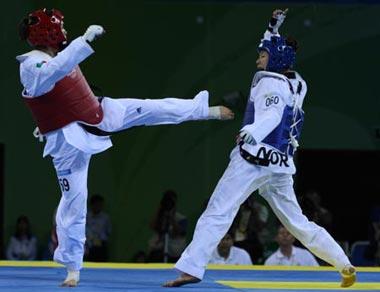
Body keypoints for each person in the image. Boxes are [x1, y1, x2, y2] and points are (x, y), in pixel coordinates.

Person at [17, 8, 234, 287]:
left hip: (98, 113)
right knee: (75, 201)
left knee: (149, 109)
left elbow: (53, 95)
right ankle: (72, 266)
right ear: (48, 32)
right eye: (61, 27)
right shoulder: (31, 64)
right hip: (69, 143)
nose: (66, 32)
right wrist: (84, 41)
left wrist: (46, 120)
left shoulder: (57, 57)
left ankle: (203, 109)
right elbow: (51, 75)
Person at [164, 9, 356, 288]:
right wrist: (272, 29)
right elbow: (276, 56)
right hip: (280, 165)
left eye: (262, 56)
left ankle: (192, 268)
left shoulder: (270, 83)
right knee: (298, 223)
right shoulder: (297, 82)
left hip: (252, 160)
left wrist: (249, 134)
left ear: (275, 59)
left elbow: (271, 116)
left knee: (218, 211)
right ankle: (344, 264)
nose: (257, 61)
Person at [148, 190, 187, 263]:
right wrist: (159, 210)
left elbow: (177, 233)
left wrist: (171, 218)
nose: (168, 204)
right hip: (158, 251)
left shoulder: (181, 218)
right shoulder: (159, 217)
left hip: (174, 253)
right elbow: (152, 226)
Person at [86, 194, 112, 262]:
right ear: (92, 205)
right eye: (96, 204)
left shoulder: (105, 218)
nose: (98, 207)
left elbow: (108, 231)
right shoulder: (86, 217)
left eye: (100, 205)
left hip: (101, 245)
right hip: (89, 245)